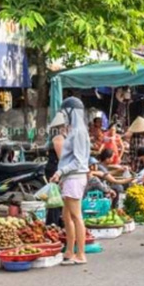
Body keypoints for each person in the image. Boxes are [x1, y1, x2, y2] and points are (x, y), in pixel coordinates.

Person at [49, 97, 91, 266]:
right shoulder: (75, 131)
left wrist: (60, 172)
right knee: (66, 216)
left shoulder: (79, 132)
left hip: (74, 177)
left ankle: (80, 254)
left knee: (76, 216)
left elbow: (78, 161)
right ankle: (69, 250)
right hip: (70, 178)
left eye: (65, 112)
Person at [45, 111, 67, 227]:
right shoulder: (58, 137)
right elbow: (61, 157)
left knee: (58, 199)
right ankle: (52, 224)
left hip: (57, 168)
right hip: (55, 169)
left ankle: (57, 223)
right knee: (55, 198)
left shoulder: (61, 136)